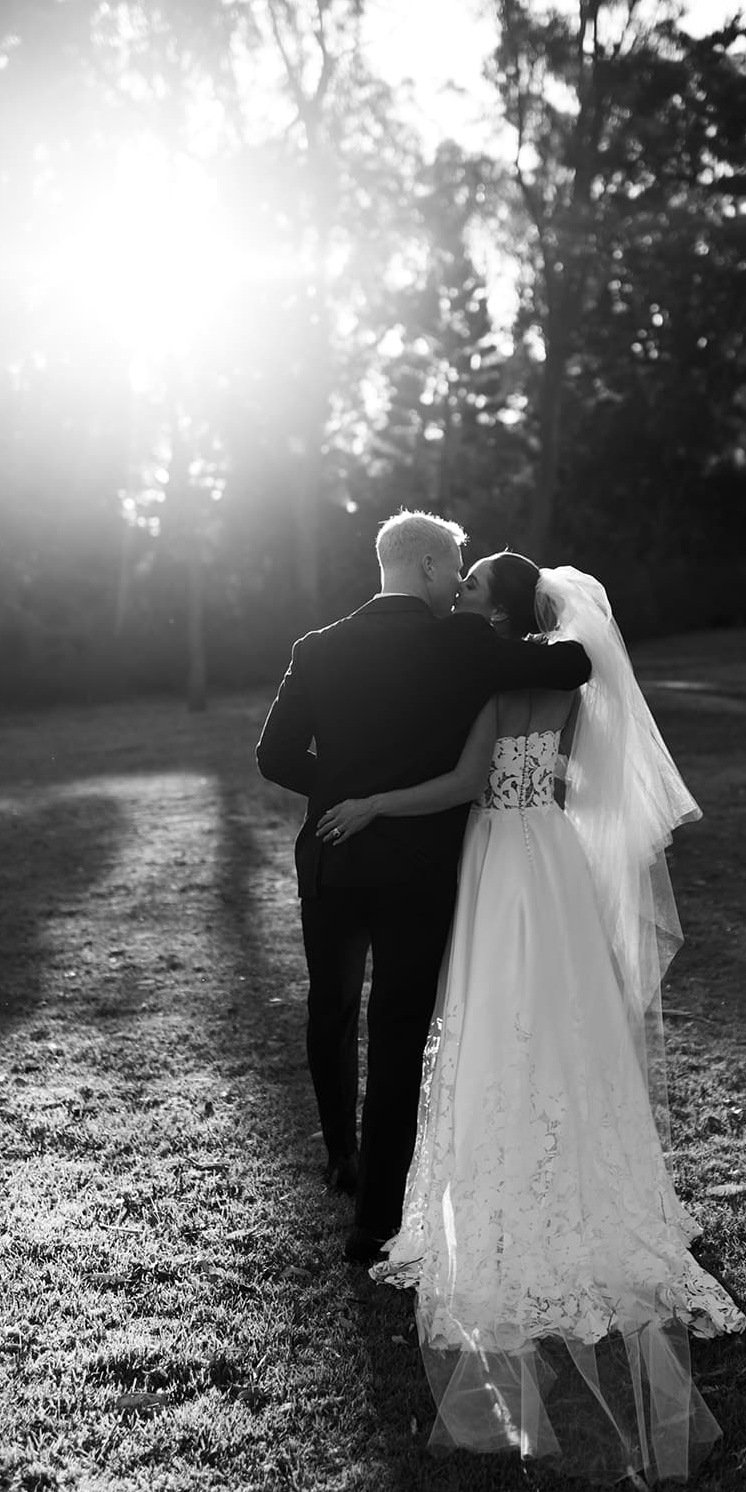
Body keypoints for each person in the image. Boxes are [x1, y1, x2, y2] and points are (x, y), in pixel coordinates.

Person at [315, 554, 746, 1485]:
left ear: (498, 608)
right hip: (548, 853)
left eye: (471, 590)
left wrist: (378, 798)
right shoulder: (559, 674)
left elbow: (468, 782)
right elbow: (580, 779)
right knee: (566, 1022)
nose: (459, 597)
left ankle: (501, 1180)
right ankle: (585, 1173)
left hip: (499, 861)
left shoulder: (496, 677)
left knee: (496, 1012)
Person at [255, 514, 591, 1266]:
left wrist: (343, 787)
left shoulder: (315, 648)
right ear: (434, 567)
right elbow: (569, 668)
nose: (459, 578)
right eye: (459, 566)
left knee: (330, 1008)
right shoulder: (461, 642)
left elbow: (273, 756)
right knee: (399, 1032)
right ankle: (375, 1221)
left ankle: (341, 1155)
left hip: (334, 856)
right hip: (417, 866)